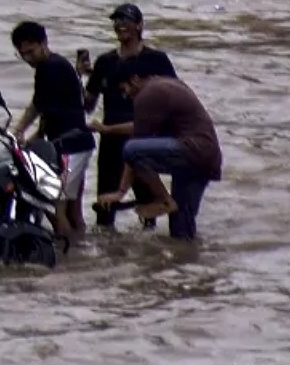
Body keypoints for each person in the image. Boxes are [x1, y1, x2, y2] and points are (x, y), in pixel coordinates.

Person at [94, 59, 223, 241]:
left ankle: (163, 200)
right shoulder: (165, 84)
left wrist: (120, 192)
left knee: (131, 149)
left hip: (190, 150)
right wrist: (109, 130)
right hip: (207, 157)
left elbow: (135, 149)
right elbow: (140, 127)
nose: (126, 96)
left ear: (135, 79)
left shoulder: (147, 95)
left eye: (125, 90)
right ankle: (186, 264)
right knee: (181, 226)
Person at [81, 4, 178, 230]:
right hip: (110, 140)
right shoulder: (105, 62)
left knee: (148, 203)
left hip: (143, 138)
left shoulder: (156, 60)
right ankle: (107, 251)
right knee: (105, 203)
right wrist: (82, 76)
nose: (120, 25)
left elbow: (174, 97)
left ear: (139, 25)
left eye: (125, 20)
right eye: (116, 21)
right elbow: (88, 104)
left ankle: (148, 252)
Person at [9, 21, 94, 242]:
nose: (28, 58)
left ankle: (69, 253)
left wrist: (32, 137)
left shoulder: (51, 67)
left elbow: (48, 112)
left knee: (56, 204)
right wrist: (18, 129)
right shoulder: (52, 66)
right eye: (23, 54)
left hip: (69, 145)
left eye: (31, 51)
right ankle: (80, 246)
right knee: (72, 207)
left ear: (44, 43)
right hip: (78, 143)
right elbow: (37, 104)